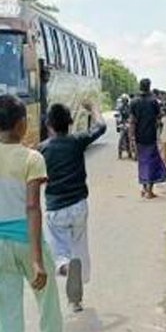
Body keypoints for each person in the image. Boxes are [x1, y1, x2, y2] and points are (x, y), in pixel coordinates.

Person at [0, 95, 62, 332]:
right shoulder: (32, 158)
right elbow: (32, 207)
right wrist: (36, 260)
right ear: (21, 124)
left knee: (7, 310)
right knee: (48, 304)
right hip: (27, 241)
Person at [38, 102, 106, 312]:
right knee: (79, 249)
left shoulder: (42, 149)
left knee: (58, 251)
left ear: (48, 125)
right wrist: (93, 109)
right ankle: (75, 300)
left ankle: (64, 266)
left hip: (56, 209)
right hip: (79, 205)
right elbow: (101, 127)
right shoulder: (77, 141)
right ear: (69, 123)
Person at [130, 79, 166, 199]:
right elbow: (158, 119)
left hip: (139, 137)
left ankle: (143, 189)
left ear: (140, 87)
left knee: (142, 162)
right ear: (149, 87)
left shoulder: (134, 102)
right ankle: (149, 192)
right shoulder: (154, 102)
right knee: (152, 162)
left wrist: (131, 137)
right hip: (151, 136)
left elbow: (132, 121)